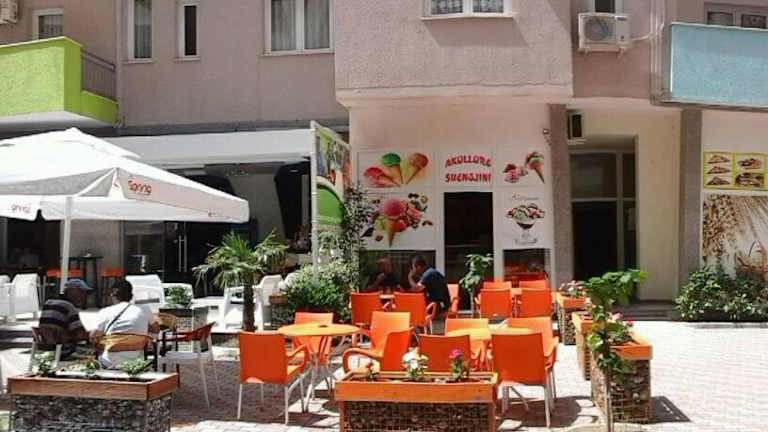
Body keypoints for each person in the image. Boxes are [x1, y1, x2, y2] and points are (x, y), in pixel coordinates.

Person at [90, 279, 159, 368]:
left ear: (112, 296)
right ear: (131, 296)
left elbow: (93, 336)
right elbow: (156, 330)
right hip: (137, 363)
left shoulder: (106, 312)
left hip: (109, 362)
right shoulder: (145, 309)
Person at [38, 278, 91, 359]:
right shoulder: (68, 306)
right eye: (81, 292)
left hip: (46, 349)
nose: (84, 296)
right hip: (63, 351)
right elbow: (79, 334)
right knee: (94, 352)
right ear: (71, 291)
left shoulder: (48, 302)